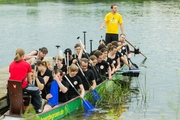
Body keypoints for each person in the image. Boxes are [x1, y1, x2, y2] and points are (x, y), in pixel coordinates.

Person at [8, 48, 42, 113]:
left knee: (9, 91)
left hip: (11, 86)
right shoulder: (26, 64)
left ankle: (10, 107)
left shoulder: (11, 64)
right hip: (22, 86)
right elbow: (29, 79)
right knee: (36, 90)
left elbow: (11, 74)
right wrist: (31, 84)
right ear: (23, 56)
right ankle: (37, 108)